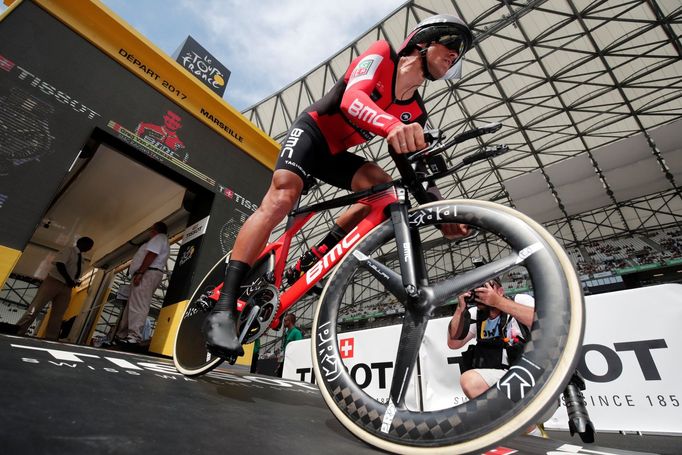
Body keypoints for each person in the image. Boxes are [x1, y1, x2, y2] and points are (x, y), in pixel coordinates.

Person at [205, 14, 474, 359]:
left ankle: (314, 258)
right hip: (312, 134)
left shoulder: (416, 112)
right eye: (451, 44)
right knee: (282, 197)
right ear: (422, 41)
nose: (456, 55)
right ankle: (224, 307)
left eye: (460, 53)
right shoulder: (381, 55)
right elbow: (352, 100)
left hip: (335, 154)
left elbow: (421, 172)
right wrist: (390, 124)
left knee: (383, 189)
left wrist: (443, 213)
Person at [447, 278, 548, 436]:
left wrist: (498, 302)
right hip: (501, 382)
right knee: (470, 384)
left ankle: (531, 431)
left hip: (532, 377)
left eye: (486, 287)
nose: (480, 292)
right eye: (476, 290)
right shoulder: (477, 315)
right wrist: (461, 308)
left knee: (473, 384)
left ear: (500, 291)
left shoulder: (519, 300)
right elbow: (453, 342)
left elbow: (545, 322)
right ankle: (516, 430)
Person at [16, 236, 94, 340]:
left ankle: (51, 338)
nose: (90, 248)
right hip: (54, 281)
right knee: (35, 308)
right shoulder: (69, 250)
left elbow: (73, 271)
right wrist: (68, 279)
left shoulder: (82, 259)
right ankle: (18, 331)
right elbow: (60, 264)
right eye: (90, 246)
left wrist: (75, 281)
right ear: (82, 243)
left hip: (67, 287)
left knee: (58, 314)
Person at [114, 221, 169, 350]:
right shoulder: (159, 239)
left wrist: (140, 272)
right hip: (147, 272)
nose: (150, 232)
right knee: (132, 304)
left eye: (151, 229)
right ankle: (122, 335)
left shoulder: (159, 238)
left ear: (155, 230)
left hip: (148, 273)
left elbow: (152, 254)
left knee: (139, 303)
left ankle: (134, 336)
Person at [275, 313, 303, 377]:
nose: (283, 322)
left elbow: (299, 348)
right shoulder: (287, 333)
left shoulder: (296, 333)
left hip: (292, 362)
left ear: (290, 321)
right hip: (285, 361)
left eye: (285, 320)